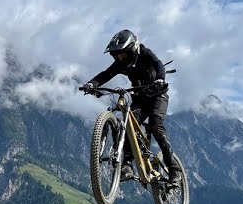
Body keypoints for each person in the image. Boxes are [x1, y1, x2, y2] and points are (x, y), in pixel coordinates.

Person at [78, 29, 181, 184]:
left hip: (158, 95)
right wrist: (92, 84)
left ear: (132, 48)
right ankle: (126, 164)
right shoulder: (121, 64)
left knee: (155, 125)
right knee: (128, 125)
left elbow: (158, 64)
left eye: (123, 54)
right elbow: (106, 74)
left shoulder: (144, 53)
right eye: (117, 56)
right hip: (140, 99)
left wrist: (160, 79)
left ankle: (174, 169)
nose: (121, 58)